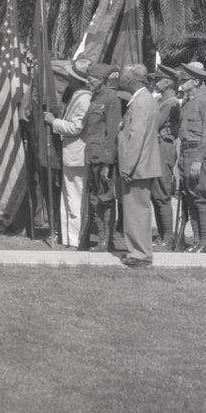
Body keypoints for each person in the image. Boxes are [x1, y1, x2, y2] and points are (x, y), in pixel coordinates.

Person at [117, 64, 164, 268]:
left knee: (136, 211)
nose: (122, 81)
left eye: (125, 78)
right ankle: (140, 252)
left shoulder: (141, 102)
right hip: (142, 164)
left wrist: (127, 167)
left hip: (137, 166)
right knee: (138, 210)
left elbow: (136, 137)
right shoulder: (144, 100)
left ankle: (140, 254)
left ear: (133, 80)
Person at [43, 58, 92, 248]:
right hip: (72, 154)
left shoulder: (84, 99)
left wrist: (53, 122)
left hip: (77, 154)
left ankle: (76, 237)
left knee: (75, 198)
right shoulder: (78, 96)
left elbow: (76, 127)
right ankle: (70, 236)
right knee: (70, 197)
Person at [79, 62, 121, 252]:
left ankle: (107, 240)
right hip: (92, 155)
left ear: (101, 80)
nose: (88, 82)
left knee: (106, 199)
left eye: (91, 79)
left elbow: (112, 133)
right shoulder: (95, 98)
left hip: (103, 158)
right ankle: (102, 239)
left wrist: (107, 163)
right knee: (96, 199)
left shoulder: (111, 99)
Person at [176, 61, 206, 252]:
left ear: (194, 81)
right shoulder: (189, 100)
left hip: (197, 153)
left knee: (200, 198)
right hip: (186, 152)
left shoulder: (205, 101)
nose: (180, 82)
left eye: (184, 80)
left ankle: (205, 243)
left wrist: (198, 160)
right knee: (190, 198)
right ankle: (197, 241)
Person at [152, 73, 181, 248]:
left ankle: (168, 236)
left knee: (161, 193)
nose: (155, 83)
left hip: (163, 147)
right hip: (159, 147)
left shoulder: (170, 103)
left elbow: (154, 123)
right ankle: (163, 235)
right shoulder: (163, 101)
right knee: (156, 194)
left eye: (158, 80)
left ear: (167, 82)